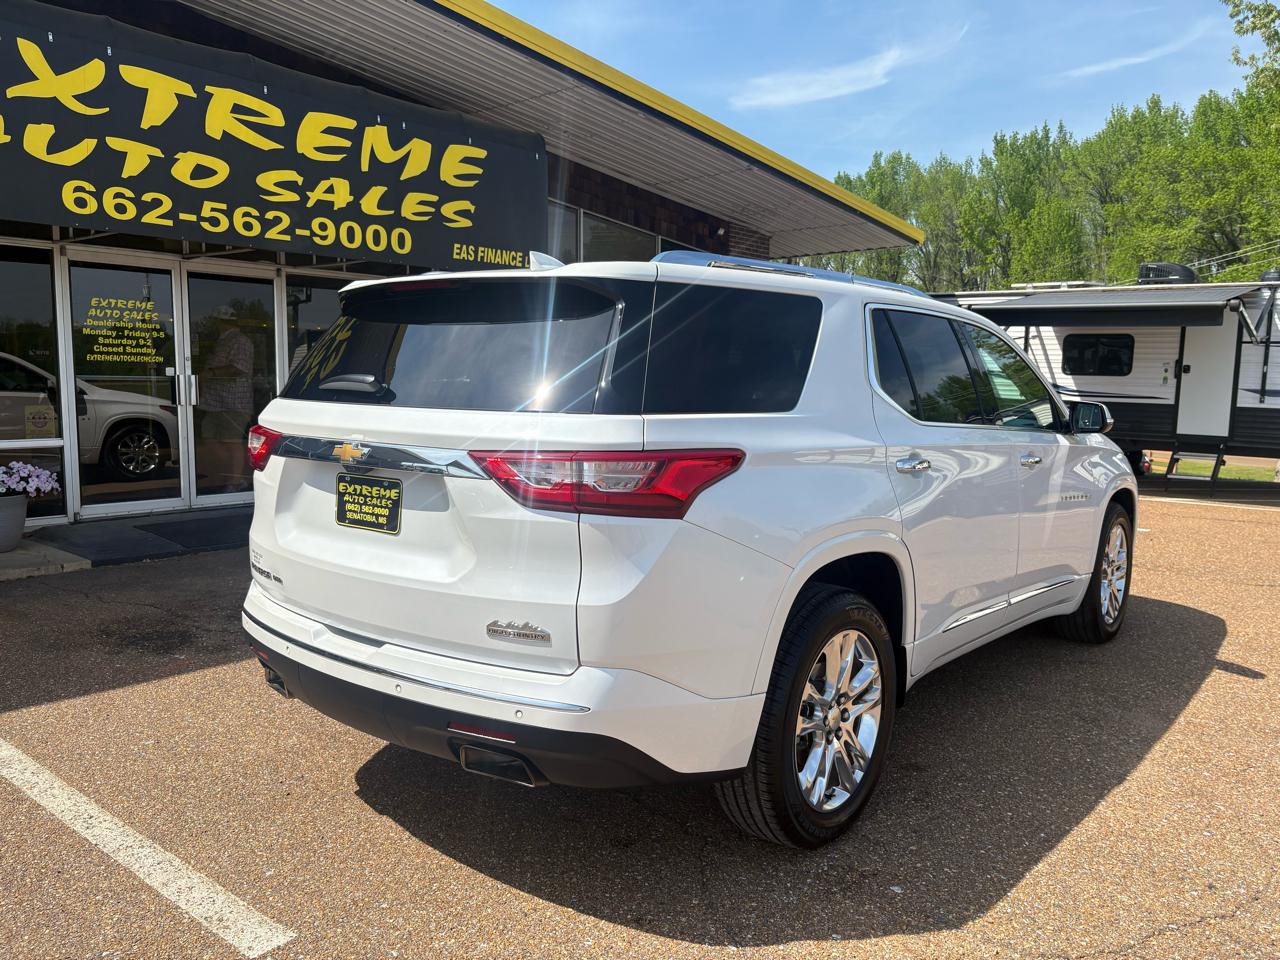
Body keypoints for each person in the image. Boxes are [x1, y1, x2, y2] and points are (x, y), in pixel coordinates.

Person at [199, 306, 254, 493]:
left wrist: (211, 373)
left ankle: (236, 480)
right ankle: (229, 473)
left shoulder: (240, 341)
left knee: (232, 441)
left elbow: (239, 367)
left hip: (234, 402)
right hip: (215, 402)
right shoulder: (222, 341)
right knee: (208, 437)